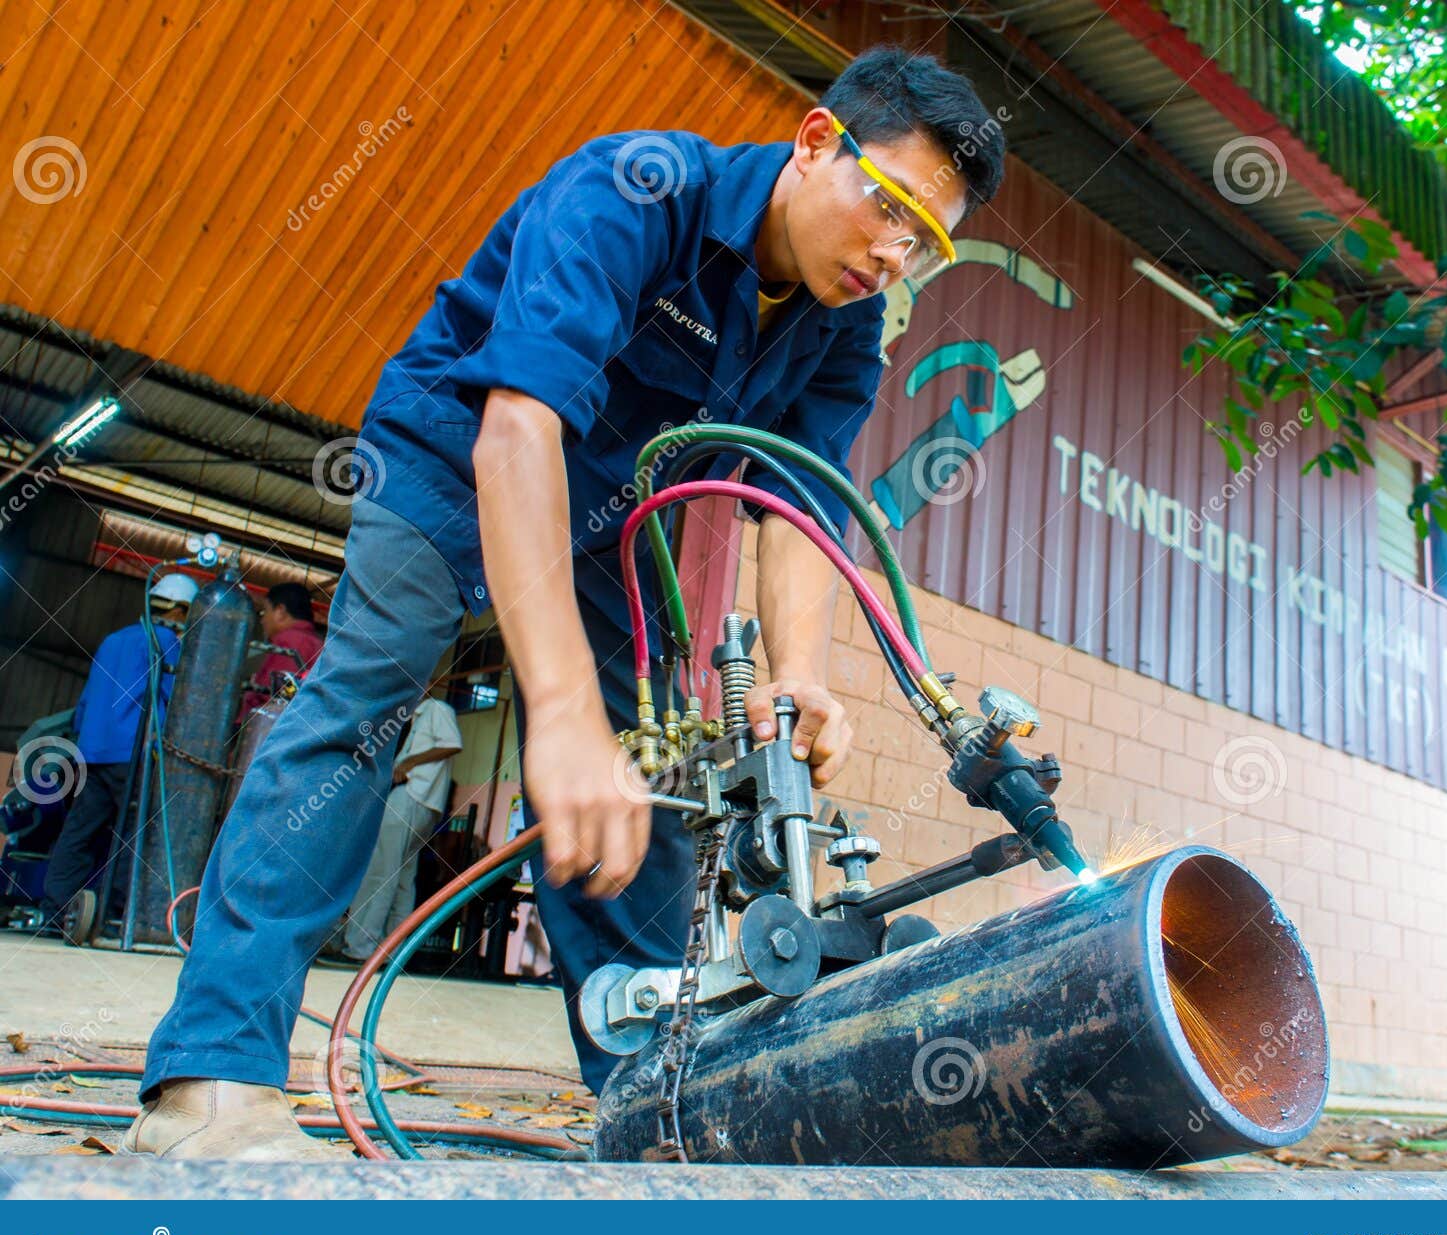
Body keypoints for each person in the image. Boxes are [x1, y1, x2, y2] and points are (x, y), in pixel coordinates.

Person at [122, 46, 1005, 1160]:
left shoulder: (844, 329)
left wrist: (798, 678)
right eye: (888, 208)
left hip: (607, 522)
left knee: (645, 772)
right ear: (817, 141)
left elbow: (792, 507)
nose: (893, 253)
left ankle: (661, 1110)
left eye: (924, 241)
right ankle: (210, 1077)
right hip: (453, 456)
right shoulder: (636, 189)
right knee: (369, 699)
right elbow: (517, 431)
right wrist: (559, 712)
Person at [39, 572, 198, 940]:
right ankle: (114, 916)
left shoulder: (114, 640)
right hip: (133, 755)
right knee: (134, 837)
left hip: (92, 753)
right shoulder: (164, 644)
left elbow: (85, 703)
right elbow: (177, 704)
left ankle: (55, 914)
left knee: (78, 833)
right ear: (177, 609)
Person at [328, 694, 462, 964]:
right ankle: (393, 950)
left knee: (380, 873)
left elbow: (451, 744)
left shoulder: (436, 709)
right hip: (423, 802)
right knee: (402, 879)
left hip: (412, 796)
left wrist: (407, 764)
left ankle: (361, 947)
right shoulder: (415, 718)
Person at [240, 582, 324, 718]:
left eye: (265, 611)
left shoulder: (291, 641)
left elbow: (281, 699)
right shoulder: (315, 643)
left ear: (280, 611)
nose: (262, 620)